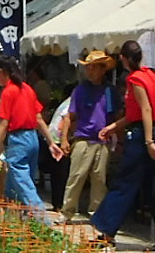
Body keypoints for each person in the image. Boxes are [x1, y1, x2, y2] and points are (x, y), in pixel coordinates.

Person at [91, 40, 155, 249]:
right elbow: (137, 113)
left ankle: (107, 230)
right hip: (153, 130)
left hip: (142, 136)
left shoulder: (135, 79)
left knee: (125, 182)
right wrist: (113, 126)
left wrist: (148, 141)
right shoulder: (150, 75)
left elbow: (145, 110)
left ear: (123, 59)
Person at [48, 51, 114, 220]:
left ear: (102, 70)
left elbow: (116, 115)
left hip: (102, 140)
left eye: (93, 68)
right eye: (88, 68)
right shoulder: (80, 90)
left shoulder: (109, 91)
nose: (89, 72)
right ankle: (67, 211)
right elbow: (70, 116)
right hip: (83, 138)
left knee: (99, 180)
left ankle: (96, 214)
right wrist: (64, 140)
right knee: (76, 176)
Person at [0, 54, 46, 206]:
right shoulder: (27, 89)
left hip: (19, 139)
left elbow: (3, 124)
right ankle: (13, 219)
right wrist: (51, 142)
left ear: (0, 72)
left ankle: (43, 222)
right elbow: (38, 118)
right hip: (33, 138)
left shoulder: (8, 91)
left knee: (24, 185)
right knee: (14, 186)